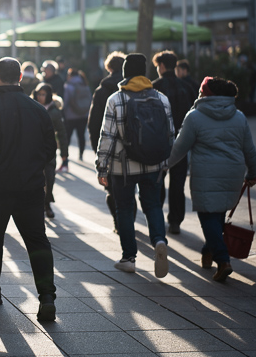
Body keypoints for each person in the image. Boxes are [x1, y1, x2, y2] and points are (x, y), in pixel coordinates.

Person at [0, 57, 58, 322]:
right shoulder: (38, 109)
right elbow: (50, 151)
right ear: (20, 77)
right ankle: (47, 297)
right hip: (30, 187)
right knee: (37, 241)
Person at [165, 77, 256, 282]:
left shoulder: (195, 117)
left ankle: (223, 260)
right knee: (217, 214)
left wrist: (163, 166)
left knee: (208, 217)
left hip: (206, 174)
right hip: (233, 173)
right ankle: (207, 252)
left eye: (201, 91)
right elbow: (249, 149)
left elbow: (179, 148)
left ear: (207, 94)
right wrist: (253, 172)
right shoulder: (239, 117)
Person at [96, 53, 173, 278]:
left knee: (124, 208)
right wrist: (166, 163)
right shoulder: (161, 98)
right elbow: (170, 134)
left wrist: (102, 167)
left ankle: (129, 257)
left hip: (123, 168)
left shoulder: (116, 100)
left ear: (125, 73)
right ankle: (159, 240)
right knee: (153, 206)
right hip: (153, 165)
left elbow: (107, 137)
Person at [152, 51, 196, 235]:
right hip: (181, 142)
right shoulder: (186, 87)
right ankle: (175, 221)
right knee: (178, 184)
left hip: (158, 143)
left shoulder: (154, 88)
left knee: (157, 182)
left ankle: (157, 218)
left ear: (161, 66)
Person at [88, 51, 126, 232]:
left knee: (111, 188)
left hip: (109, 147)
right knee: (128, 188)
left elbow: (93, 122)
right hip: (131, 147)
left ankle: (119, 222)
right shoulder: (132, 90)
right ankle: (128, 221)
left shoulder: (102, 90)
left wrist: (97, 147)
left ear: (109, 68)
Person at [33, 83, 68, 218]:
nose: (41, 97)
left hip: (49, 150)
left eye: (43, 94)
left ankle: (47, 203)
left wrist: (64, 154)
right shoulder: (32, 107)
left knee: (50, 177)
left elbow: (62, 132)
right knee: (36, 180)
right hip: (33, 150)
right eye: (39, 94)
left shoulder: (54, 111)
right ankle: (40, 205)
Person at [63, 68, 92, 162]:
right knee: (81, 135)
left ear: (70, 76)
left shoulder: (68, 86)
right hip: (83, 115)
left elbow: (66, 102)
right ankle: (81, 154)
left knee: (68, 136)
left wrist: (63, 112)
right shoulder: (85, 84)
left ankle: (65, 156)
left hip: (70, 116)